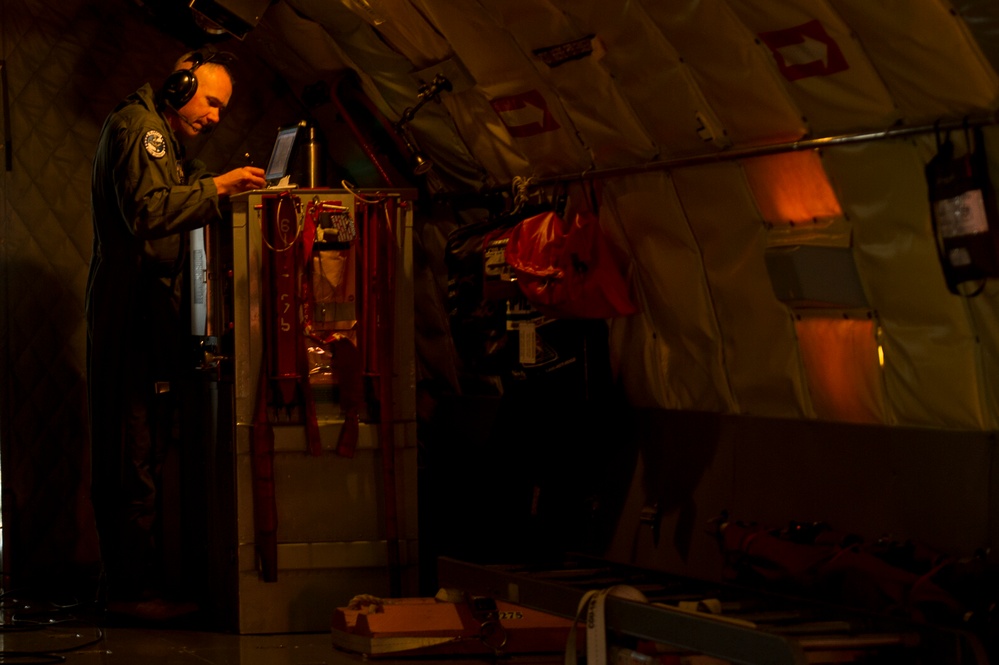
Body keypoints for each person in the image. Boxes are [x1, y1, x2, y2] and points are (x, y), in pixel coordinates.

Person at [85, 49, 266, 619]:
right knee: (133, 449)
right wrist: (219, 187)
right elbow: (147, 211)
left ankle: (134, 583)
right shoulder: (144, 131)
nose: (215, 117)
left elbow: (169, 197)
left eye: (222, 109)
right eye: (210, 102)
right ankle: (131, 593)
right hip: (133, 310)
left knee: (140, 444)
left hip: (139, 309)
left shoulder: (156, 133)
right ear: (180, 85)